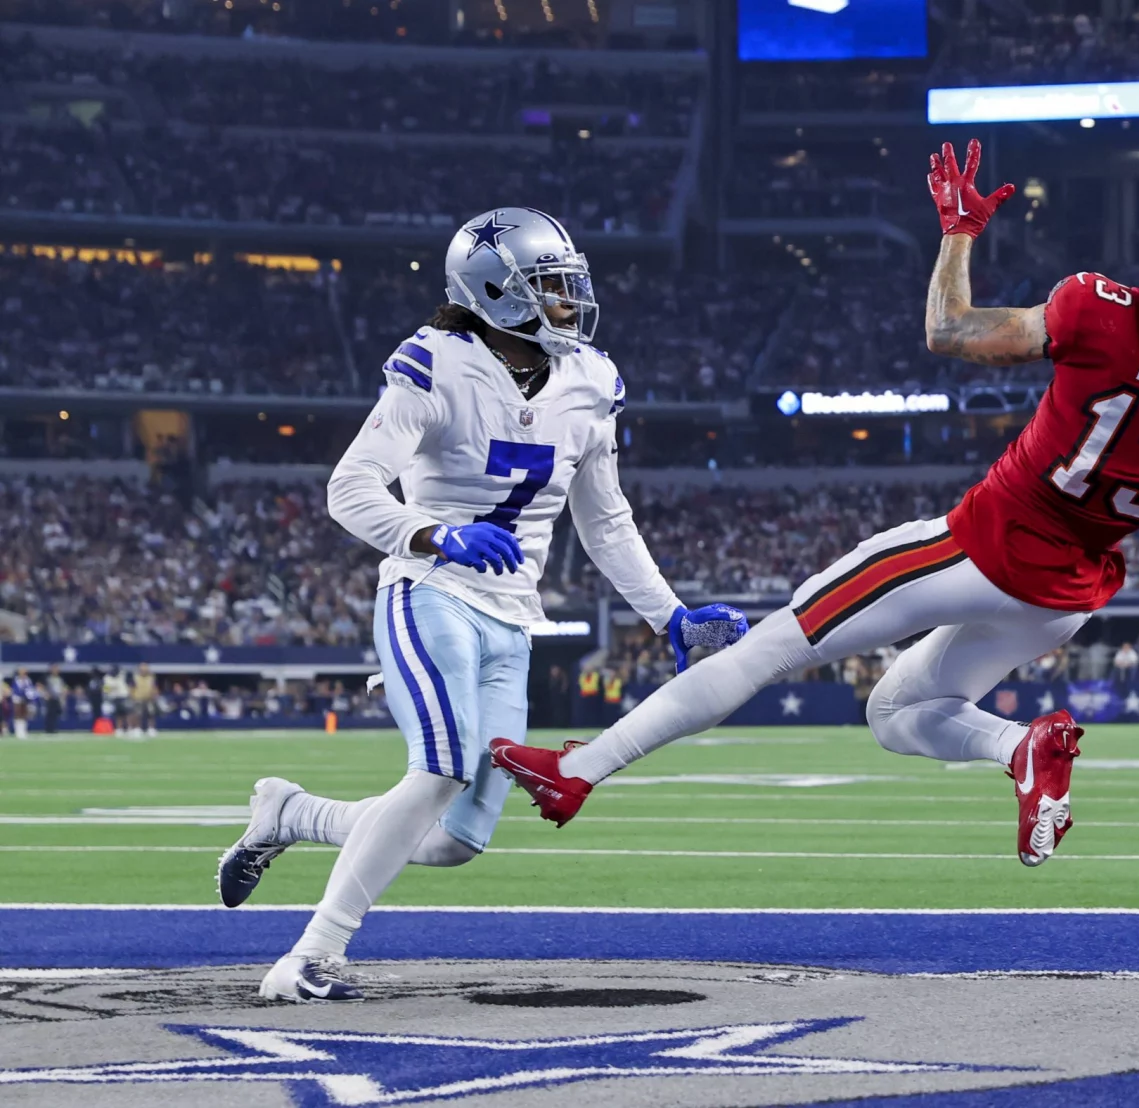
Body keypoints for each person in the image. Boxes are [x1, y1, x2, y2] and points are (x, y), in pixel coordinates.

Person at [490, 137, 1139, 867]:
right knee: (898, 712)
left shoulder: (1099, 315)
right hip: (1067, 591)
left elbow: (948, 331)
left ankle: (583, 767)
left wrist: (958, 232)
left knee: (767, 647)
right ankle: (1021, 750)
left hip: (979, 544)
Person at [215, 207, 750, 1004]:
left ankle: (292, 814)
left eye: (570, 288)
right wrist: (432, 534)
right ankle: (309, 958)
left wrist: (665, 613)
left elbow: (602, 517)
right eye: (550, 289)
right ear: (497, 292)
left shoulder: (591, 380)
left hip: (512, 617)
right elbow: (349, 489)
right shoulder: (437, 362)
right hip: (429, 593)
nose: (569, 305)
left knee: (456, 838)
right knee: (438, 767)